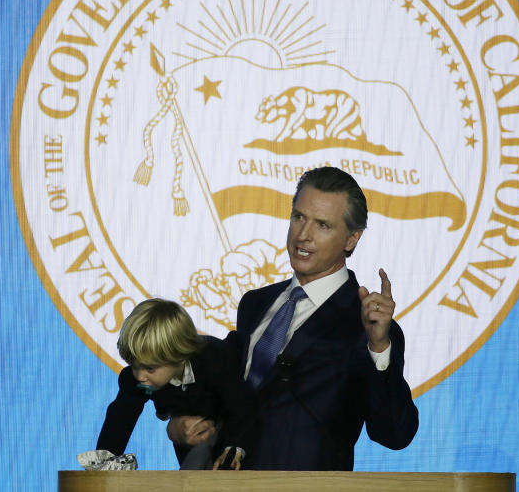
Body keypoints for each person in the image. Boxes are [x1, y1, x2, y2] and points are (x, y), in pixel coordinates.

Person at [168, 166, 419, 470]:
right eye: (299, 217)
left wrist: (379, 347)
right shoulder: (255, 304)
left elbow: (394, 433)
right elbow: (227, 394)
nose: (303, 235)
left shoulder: (367, 328)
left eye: (322, 225)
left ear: (351, 239)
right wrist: (180, 424)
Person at [96, 298, 256, 469]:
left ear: (178, 358)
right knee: (192, 472)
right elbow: (120, 419)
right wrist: (105, 462)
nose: (140, 376)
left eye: (150, 369)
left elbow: (243, 406)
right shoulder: (135, 379)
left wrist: (235, 448)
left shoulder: (215, 359)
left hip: (235, 424)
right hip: (191, 437)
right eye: (134, 366)